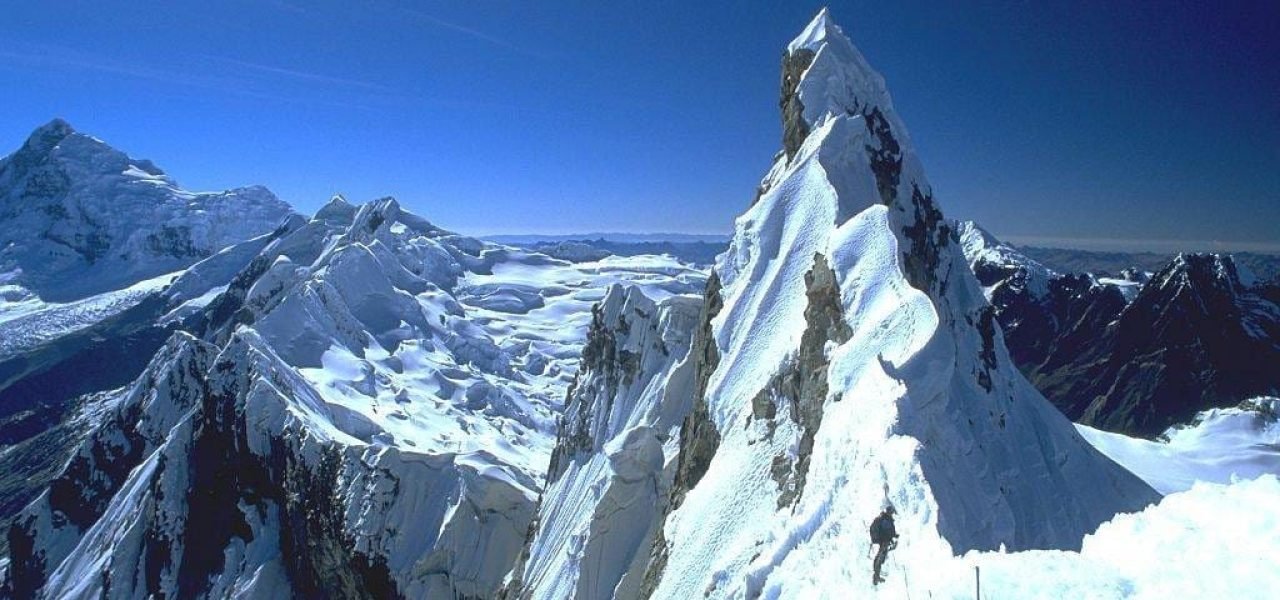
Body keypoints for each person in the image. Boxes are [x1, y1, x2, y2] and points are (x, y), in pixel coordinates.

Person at [869, 504, 898, 586]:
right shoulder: (886, 520)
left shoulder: (884, 519)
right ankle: (876, 576)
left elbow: (888, 531)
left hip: (882, 540)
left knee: (881, 557)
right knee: (880, 556)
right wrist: (892, 536)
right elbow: (887, 531)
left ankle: (876, 575)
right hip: (883, 540)